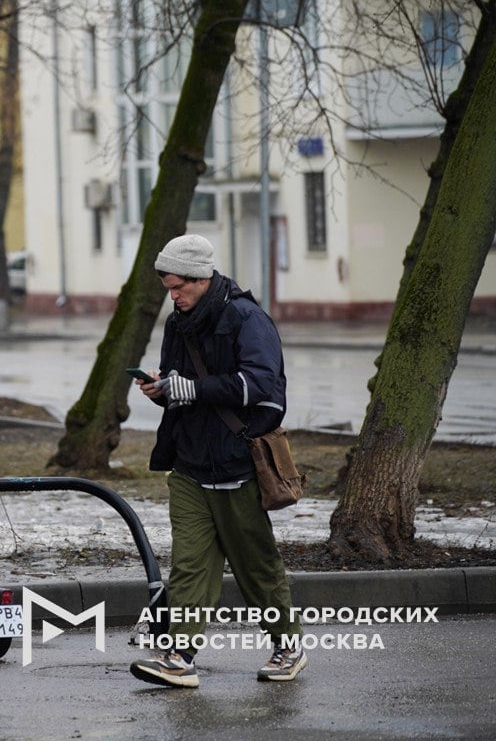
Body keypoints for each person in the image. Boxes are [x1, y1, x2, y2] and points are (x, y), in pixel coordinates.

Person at [129, 234, 306, 689]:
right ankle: (180, 657)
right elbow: (179, 386)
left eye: (179, 287)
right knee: (189, 567)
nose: (174, 296)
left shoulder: (247, 318)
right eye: (169, 289)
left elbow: (263, 387)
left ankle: (288, 645)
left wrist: (195, 388)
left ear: (201, 278)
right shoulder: (177, 324)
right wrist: (161, 389)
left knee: (257, 568)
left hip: (239, 465)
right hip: (189, 466)